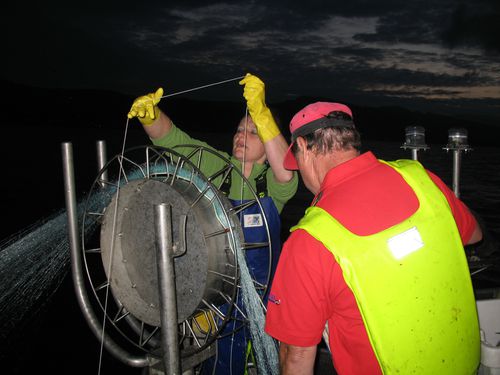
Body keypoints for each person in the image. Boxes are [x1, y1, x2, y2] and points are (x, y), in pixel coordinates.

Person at [265, 101, 483, 375]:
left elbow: (295, 357)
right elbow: (473, 234)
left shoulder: (310, 239)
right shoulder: (420, 178)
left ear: (304, 147)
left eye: (295, 156)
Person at [127, 73, 298, 374]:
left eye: (253, 132)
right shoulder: (219, 166)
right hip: (213, 295)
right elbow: (177, 142)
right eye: (238, 130)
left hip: (260, 302)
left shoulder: (271, 182)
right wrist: (151, 117)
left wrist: (264, 115)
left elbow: (287, 172)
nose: (240, 136)